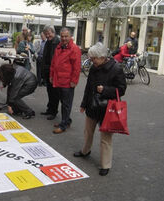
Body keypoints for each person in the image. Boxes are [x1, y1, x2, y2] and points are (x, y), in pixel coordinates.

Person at [74, 42, 127, 176]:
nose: (92, 61)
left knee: (106, 138)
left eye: (94, 58)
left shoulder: (116, 69)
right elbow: (88, 88)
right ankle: (85, 151)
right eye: (91, 58)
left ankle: (105, 164)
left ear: (103, 57)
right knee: (88, 131)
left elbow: (121, 89)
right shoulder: (93, 68)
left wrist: (105, 90)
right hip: (92, 105)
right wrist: (83, 104)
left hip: (107, 109)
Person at [50, 27, 81, 134]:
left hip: (67, 82)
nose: (63, 38)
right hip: (59, 80)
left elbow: (76, 68)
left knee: (66, 104)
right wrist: (51, 75)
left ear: (70, 36)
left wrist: (74, 81)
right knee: (63, 102)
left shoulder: (74, 49)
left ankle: (63, 125)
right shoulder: (59, 47)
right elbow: (54, 63)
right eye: (62, 36)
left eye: (66, 36)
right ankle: (66, 120)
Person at [40, 25, 60, 120]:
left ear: (53, 32)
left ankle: (53, 111)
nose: (48, 35)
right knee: (49, 91)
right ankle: (50, 109)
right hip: (47, 70)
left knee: (54, 93)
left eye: (49, 33)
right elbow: (45, 57)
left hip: (54, 71)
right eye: (46, 34)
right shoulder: (48, 42)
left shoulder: (57, 42)